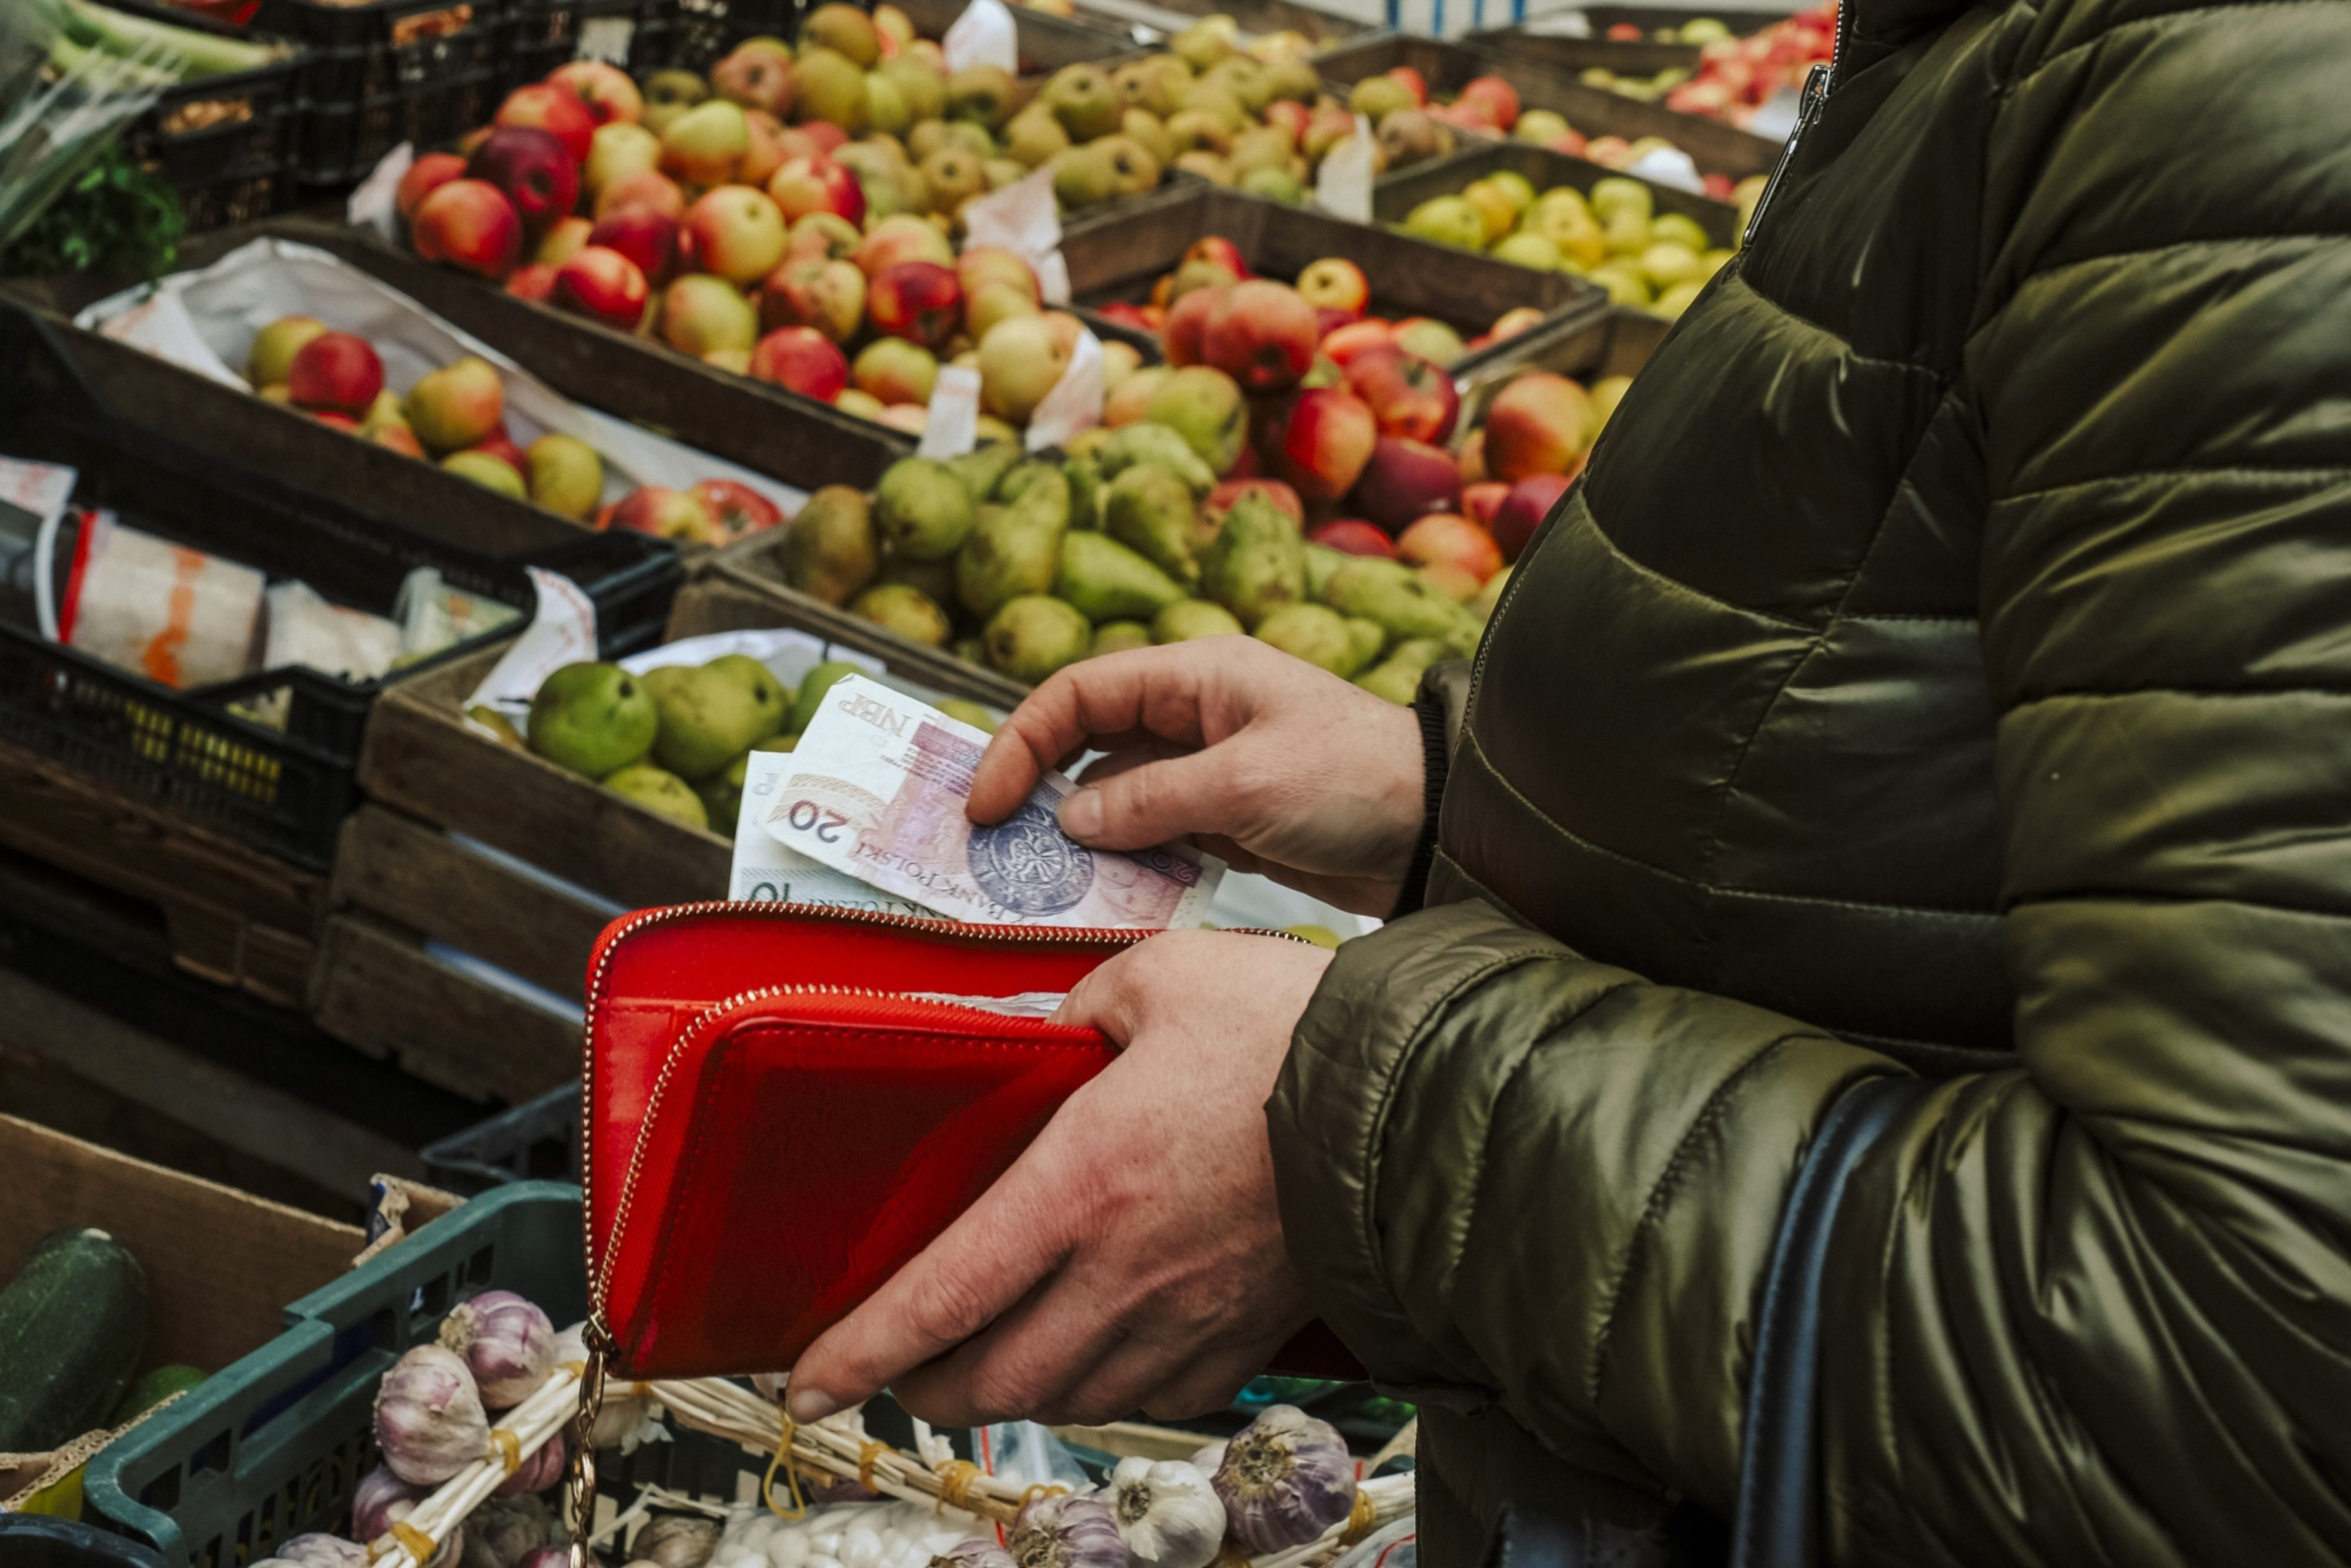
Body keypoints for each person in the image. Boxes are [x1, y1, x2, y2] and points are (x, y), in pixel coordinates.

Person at [783, 0, 2351, 1556]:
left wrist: (1359, 1120)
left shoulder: (2249, 106)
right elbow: (1944, 801)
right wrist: (1465, 801)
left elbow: (2241, 1366)